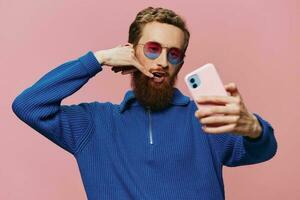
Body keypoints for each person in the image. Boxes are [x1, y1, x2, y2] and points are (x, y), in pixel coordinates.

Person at [12, 6, 277, 200]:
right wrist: (98, 59)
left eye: (173, 54)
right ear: (129, 52)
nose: (162, 62)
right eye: (152, 49)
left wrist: (255, 129)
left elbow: (263, 150)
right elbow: (28, 105)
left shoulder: (206, 117)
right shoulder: (94, 124)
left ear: (180, 64)